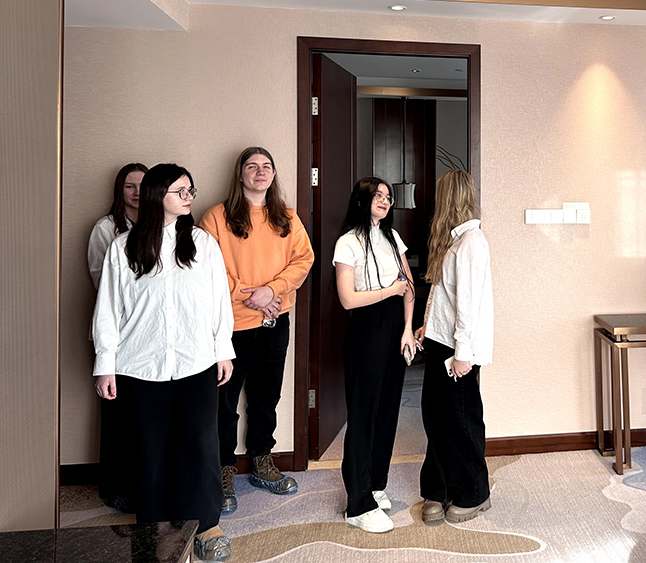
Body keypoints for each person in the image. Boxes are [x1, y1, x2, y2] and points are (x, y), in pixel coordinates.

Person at [92, 164, 235, 562]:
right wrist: (105, 363)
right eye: (180, 191)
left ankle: (205, 525)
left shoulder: (203, 243)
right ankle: (153, 527)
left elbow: (218, 301)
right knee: (149, 450)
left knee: (200, 443)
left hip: (197, 362)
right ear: (158, 195)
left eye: (191, 190)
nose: (189, 197)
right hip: (140, 365)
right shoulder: (123, 247)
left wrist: (223, 349)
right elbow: (108, 310)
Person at [200, 147, 314, 513]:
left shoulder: (287, 216)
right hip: (230, 326)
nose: (260, 171)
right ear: (240, 174)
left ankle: (262, 459)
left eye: (266, 166)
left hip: (274, 321)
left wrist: (273, 291)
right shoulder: (216, 217)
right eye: (252, 166)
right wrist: (253, 295)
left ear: (273, 174)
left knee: (266, 396)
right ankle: (223, 469)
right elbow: (207, 269)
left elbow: (304, 259)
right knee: (224, 402)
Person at [333, 177, 416, 533]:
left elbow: (408, 286)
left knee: (387, 412)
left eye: (388, 196)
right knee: (363, 414)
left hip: (396, 328)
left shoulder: (392, 237)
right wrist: (390, 291)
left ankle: (375, 485)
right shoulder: (347, 242)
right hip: (366, 329)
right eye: (378, 195)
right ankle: (358, 504)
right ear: (362, 200)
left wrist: (408, 328)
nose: (384, 200)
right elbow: (348, 299)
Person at [415, 170, 494, 524]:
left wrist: (462, 353)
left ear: (447, 197)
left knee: (461, 421)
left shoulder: (472, 243)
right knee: (436, 418)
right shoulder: (454, 241)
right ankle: (439, 488)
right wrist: (426, 326)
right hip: (440, 340)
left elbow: (468, 306)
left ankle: (474, 493)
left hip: (456, 350)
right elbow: (443, 296)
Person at [86, 162, 148, 513]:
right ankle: (116, 488)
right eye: (129, 186)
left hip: (148, 337)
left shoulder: (165, 227)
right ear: (119, 191)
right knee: (116, 415)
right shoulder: (105, 229)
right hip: (116, 334)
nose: (137, 192)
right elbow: (103, 284)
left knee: (144, 416)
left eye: (143, 185)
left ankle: (143, 483)